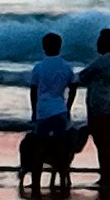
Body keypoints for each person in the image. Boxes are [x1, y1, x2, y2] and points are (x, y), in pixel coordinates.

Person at [22, 31, 78, 191]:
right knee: (60, 146)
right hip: (59, 109)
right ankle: (62, 180)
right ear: (60, 47)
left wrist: (34, 110)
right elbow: (73, 87)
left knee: (40, 147)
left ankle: (36, 182)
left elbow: (33, 91)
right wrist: (68, 107)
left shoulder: (39, 67)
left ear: (44, 47)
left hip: (44, 110)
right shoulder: (66, 67)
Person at [79, 25, 110, 193]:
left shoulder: (104, 60)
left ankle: (106, 176)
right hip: (109, 103)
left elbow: (83, 76)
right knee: (106, 142)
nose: (97, 44)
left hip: (100, 105)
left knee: (102, 142)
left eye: (100, 41)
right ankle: (107, 175)